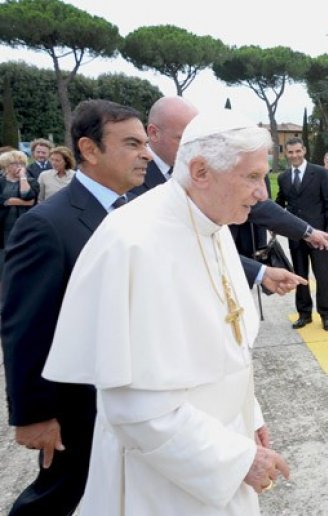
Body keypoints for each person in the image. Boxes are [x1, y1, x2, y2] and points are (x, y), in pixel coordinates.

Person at [42, 109, 297, 515]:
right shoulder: (134, 243)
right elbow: (133, 408)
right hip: (164, 476)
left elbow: (228, 346)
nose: (262, 193)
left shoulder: (211, 225)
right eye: (251, 177)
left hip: (219, 442)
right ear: (200, 171)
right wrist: (235, 459)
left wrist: (249, 416)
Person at [1, 99, 150, 515]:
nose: (147, 154)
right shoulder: (48, 224)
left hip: (128, 394)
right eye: (132, 144)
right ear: (89, 149)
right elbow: (26, 327)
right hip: (78, 406)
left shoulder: (136, 212)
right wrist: (34, 415)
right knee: (60, 495)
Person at [133, 96, 328, 287]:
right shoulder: (130, 182)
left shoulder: (218, 214)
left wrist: (306, 233)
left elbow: (256, 211)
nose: (195, 147)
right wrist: (260, 272)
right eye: (184, 138)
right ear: (153, 133)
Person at [276, 137, 328, 331]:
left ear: (304, 151)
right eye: (290, 152)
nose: (294, 155)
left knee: (323, 276)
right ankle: (304, 314)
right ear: (286, 153)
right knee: (299, 276)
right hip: (296, 237)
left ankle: (326, 315)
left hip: (319, 237)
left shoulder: (320, 173)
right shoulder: (283, 177)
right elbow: (280, 204)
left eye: (298, 151)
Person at [0, 150, 39, 275]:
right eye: (15, 164)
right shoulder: (1, 182)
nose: (19, 167)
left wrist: (23, 177)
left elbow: (28, 197)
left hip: (24, 224)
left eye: (21, 164)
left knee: (24, 256)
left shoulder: (31, 181)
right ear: (6, 166)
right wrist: (10, 201)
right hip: (3, 226)